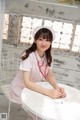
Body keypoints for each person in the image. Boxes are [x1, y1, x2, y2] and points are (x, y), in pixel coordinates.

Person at [10, 26, 66, 119]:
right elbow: (27, 83)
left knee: (48, 104)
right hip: (21, 89)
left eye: (47, 40)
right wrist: (48, 92)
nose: (44, 43)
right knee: (38, 110)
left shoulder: (48, 55)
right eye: (40, 39)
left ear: (51, 42)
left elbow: (49, 74)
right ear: (35, 40)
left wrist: (57, 87)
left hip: (34, 88)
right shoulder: (28, 55)